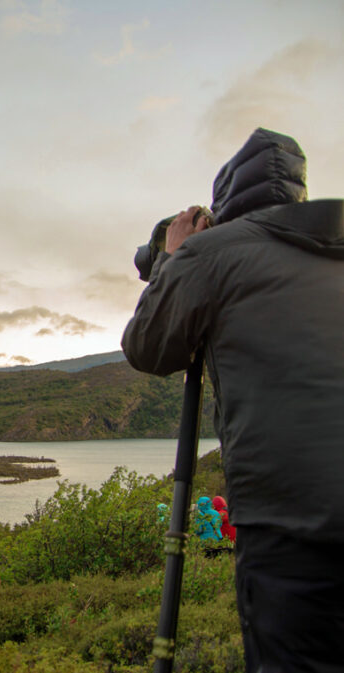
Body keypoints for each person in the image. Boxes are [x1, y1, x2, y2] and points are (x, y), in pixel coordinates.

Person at [121, 128, 344, 672]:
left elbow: (148, 348)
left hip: (293, 517)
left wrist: (176, 258)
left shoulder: (212, 251)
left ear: (224, 203)